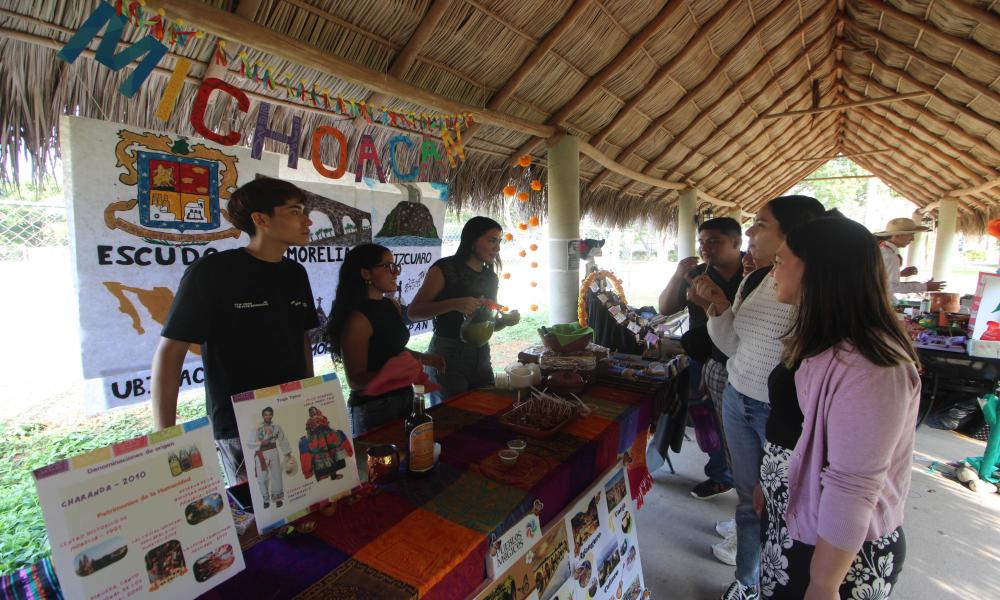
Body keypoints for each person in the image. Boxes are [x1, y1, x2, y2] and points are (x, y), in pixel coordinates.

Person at [761, 216, 918, 598]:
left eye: (781, 261)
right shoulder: (823, 337)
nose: (772, 274)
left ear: (817, 269)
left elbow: (853, 482)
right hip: (798, 520)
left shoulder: (871, 365)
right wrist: (770, 488)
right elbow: (794, 426)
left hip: (836, 550)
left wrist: (824, 583)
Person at [693, 195, 827, 600]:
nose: (749, 232)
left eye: (761, 225)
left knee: (782, 508)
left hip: (782, 414)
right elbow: (735, 344)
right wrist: (717, 306)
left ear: (794, 233)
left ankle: (779, 584)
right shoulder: (756, 280)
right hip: (738, 397)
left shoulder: (817, 289)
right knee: (748, 500)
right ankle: (746, 582)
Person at [151, 177, 318, 486]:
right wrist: (166, 438)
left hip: (292, 413)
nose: (307, 220)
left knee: (304, 500)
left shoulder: (295, 273)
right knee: (260, 517)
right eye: (295, 211)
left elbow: (303, 338)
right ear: (261, 219)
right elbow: (170, 351)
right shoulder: (213, 273)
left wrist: (308, 398)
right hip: (241, 427)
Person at [658, 218, 744, 503]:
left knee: (737, 426)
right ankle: (720, 474)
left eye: (714, 242)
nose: (706, 248)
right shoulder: (696, 273)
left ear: (736, 243)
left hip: (739, 362)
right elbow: (667, 307)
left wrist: (706, 304)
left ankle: (742, 481)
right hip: (700, 361)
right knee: (705, 419)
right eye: (702, 242)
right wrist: (677, 274)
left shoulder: (753, 271)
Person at [324, 243, 445, 435]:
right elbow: (355, 380)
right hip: (373, 408)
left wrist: (423, 357)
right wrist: (395, 372)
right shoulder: (358, 319)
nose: (395, 272)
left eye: (396, 266)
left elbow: (393, 349)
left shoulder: (391, 305)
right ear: (366, 274)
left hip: (405, 397)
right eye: (388, 266)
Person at [408, 217, 519, 400]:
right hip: (447, 356)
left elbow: (485, 323)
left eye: (499, 241)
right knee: (452, 420)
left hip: (481, 354)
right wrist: (455, 303)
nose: (498, 248)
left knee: (484, 413)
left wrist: (503, 321)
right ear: (473, 240)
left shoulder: (490, 277)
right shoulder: (444, 268)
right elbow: (414, 313)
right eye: (492, 240)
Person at [874, 217, 945, 301]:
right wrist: (925, 287)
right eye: (910, 235)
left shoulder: (882, 250)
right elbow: (891, 287)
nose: (912, 239)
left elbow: (878, 277)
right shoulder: (890, 256)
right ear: (897, 236)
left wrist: (900, 274)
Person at [246, 407, 292, 509]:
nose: (268, 416)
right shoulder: (257, 428)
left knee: (277, 475)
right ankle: (265, 499)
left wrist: (287, 453)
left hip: (273, 452)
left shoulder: (276, 427)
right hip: (261, 454)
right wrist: (261, 443)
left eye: (270, 414)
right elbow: (249, 443)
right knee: (262, 478)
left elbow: (282, 439)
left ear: (272, 415)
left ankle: (278, 498)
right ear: (263, 416)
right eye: (266, 414)